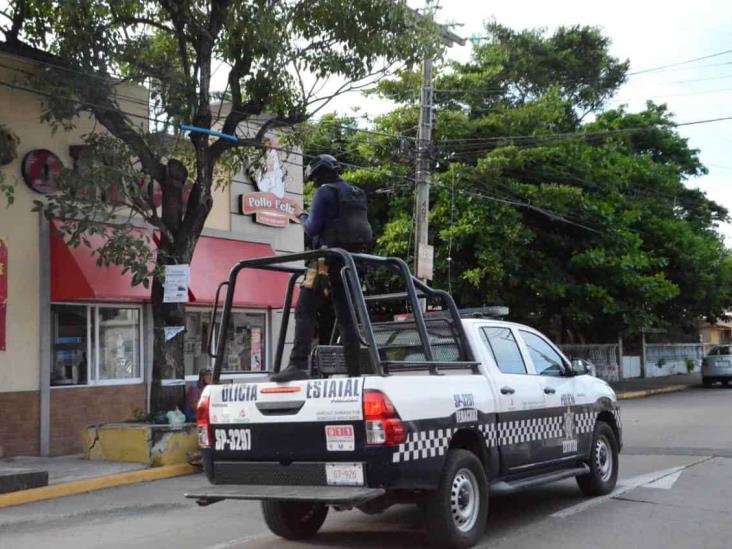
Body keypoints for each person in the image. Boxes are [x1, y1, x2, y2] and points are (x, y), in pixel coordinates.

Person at [270, 154, 372, 382]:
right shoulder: (355, 193)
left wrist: (301, 215)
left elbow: (312, 227)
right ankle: (355, 371)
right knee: (346, 318)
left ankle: (297, 364)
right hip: (351, 264)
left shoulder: (325, 192)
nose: (315, 183)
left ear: (319, 174)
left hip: (326, 262)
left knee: (304, 310)